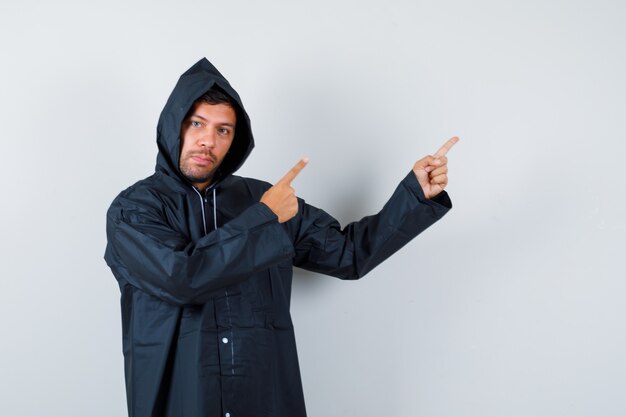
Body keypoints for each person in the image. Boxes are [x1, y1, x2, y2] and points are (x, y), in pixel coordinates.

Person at [105, 57, 458, 417]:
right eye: (197, 123)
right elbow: (183, 277)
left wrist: (414, 195)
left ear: (235, 140)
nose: (207, 141)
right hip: (180, 402)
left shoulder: (266, 199)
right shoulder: (134, 210)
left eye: (223, 130)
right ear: (174, 127)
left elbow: (350, 255)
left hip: (261, 400)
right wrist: (264, 218)